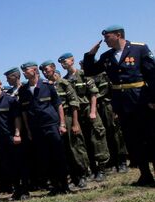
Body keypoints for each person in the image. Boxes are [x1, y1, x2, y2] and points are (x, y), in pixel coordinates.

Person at [83, 25, 155, 186]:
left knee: (150, 137)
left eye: (108, 37)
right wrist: (90, 54)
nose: (105, 40)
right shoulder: (107, 56)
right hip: (122, 104)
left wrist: (153, 99)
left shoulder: (139, 49)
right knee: (133, 139)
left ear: (118, 35)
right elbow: (89, 71)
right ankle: (145, 175)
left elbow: (152, 74)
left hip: (141, 99)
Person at [17, 62, 70, 195]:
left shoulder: (47, 86)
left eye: (26, 70)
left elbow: (58, 105)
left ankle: (64, 185)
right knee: (44, 157)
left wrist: (62, 124)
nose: (24, 72)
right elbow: (24, 112)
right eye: (22, 70)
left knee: (58, 155)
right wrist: (28, 130)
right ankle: (54, 186)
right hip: (36, 129)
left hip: (51, 125)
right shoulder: (23, 91)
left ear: (34, 70)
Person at [59, 53, 110, 181]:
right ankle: (91, 169)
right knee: (83, 141)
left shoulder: (84, 74)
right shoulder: (65, 80)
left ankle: (102, 169)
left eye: (64, 61)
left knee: (97, 138)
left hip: (88, 109)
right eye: (61, 63)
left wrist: (93, 111)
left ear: (72, 60)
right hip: (76, 113)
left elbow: (93, 94)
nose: (63, 64)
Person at [39, 61, 89, 188]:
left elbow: (74, 103)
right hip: (54, 121)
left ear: (54, 69)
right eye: (43, 71)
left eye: (47, 70)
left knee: (75, 147)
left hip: (68, 117)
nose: (45, 73)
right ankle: (72, 177)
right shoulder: (45, 87)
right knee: (63, 151)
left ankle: (82, 175)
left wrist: (75, 123)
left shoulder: (64, 83)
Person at [0, 78, 29, 200]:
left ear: (0, 85)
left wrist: (17, 133)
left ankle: (25, 190)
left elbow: (17, 118)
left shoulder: (10, 99)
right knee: (7, 166)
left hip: (11, 136)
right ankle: (17, 190)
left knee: (20, 163)